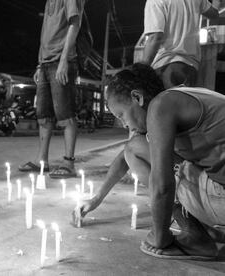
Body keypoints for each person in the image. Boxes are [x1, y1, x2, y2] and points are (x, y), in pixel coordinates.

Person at [76, 63, 225, 260]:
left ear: (137, 97)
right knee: (136, 147)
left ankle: (196, 236)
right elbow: (124, 157)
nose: (124, 124)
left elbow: (162, 184)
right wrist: (96, 199)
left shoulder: (159, 107)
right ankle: (208, 228)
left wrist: (159, 236)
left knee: (139, 152)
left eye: (121, 115)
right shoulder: (179, 98)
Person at [18, 0, 85, 178]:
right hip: (45, 63)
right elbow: (46, 36)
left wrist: (64, 60)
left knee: (65, 115)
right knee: (43, 116)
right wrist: (40, 65)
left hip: (62, 61)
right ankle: (42, 162)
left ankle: (69, 164)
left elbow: (75, 23)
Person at [142, 0, 220, 88]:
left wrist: (142, 68)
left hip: (165, 65)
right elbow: (214, 14)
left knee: (165, 101)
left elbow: (155, 37)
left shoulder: (155, 1)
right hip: (190, 67)